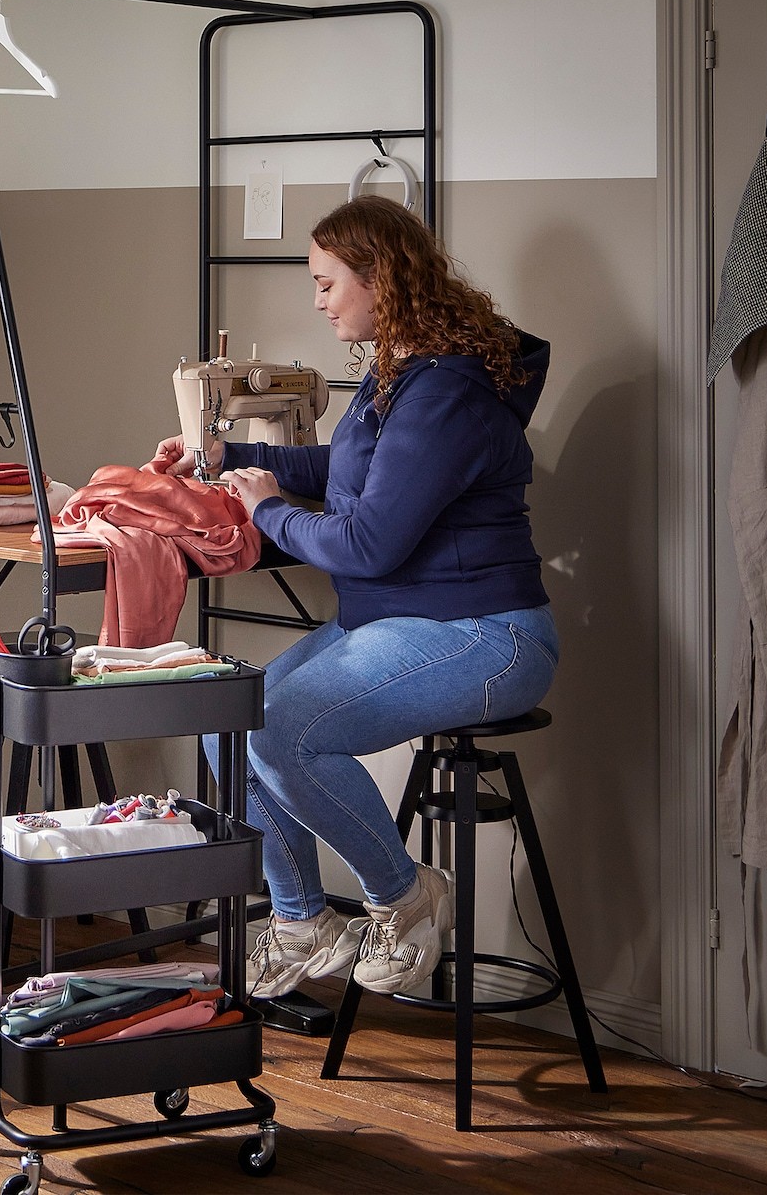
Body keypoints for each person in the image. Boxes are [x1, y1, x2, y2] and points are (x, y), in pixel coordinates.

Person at [153, 194, 557, 999]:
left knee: (284, 733)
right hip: (405, 621)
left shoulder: (445, 394)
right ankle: (302, 920)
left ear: (381, 278)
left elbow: (369, 542)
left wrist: (266, 508)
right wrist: (222, 456)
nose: (317, 298)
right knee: (225, 724)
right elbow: (350, 467)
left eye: (326, 281)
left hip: (485, 635)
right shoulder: (404, 375)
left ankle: (407, 897)